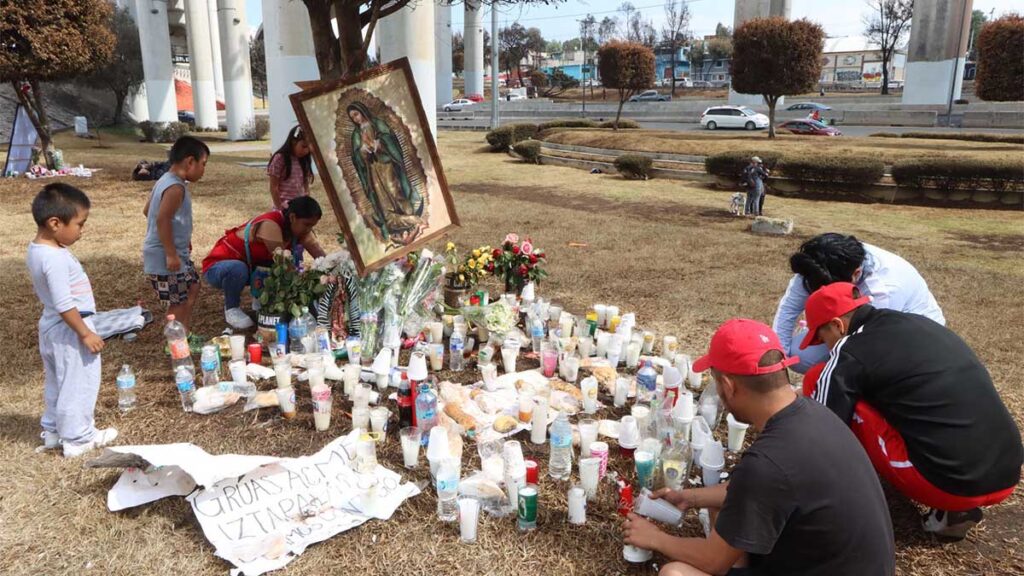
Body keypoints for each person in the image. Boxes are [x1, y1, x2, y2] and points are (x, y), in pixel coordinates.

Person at [623, 318, 895, 576]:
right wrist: (691, 498)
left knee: (675, 573)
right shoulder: (814, 414)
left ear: (728, 386)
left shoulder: (768, 462)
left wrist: (655, 538)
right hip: (848, 564)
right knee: (721, 507)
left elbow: (713, 562)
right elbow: (755, 489)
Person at [801, 282, 1022, 540]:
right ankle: (953, 514)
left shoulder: (851, 347)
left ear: (838, 325)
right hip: (1006, 472)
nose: (823, 346)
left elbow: (823, 424)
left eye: (821, 337)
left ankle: (845, 499)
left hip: (949, 484)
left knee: (817, 379)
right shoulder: (919, 323)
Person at [27, 183, 118, 457]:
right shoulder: (54, 258)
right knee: (78, 382)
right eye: (80, 224)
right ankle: (79, 438)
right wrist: (85, 333)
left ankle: (54, 431)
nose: (82, 230)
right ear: (55, 223)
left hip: (52, 328)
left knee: (57, 381)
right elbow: (64, 303)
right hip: (70, 329)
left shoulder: (38, 249)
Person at [773, 233, 944, 373]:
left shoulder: (884, 290)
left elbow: (870, 347)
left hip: (911, 339)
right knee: (798, 355)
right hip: (869, 331)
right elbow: (788, 310)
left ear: (856, 274)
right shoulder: (816, 265)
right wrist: (777, 362)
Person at [201, 197, 327, 329]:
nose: (309, 229)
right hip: (218, 268)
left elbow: (321, 256)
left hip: (250, 269)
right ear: (293, 217)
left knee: (271, 265)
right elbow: (284, 264)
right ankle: (232, 309)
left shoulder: (299, 229)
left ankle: (261, 302)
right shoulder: (270, 225)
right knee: (242, 267)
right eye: (307, 224)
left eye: (312, 225)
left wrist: (334, 271)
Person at [142, 136, 208, 332]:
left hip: (178, 253)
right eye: (203, 164)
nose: (204, 170)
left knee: (193, 286)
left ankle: (183, 332)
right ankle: (175, 341)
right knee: (177, 302)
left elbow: (148, 211)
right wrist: (170, 252)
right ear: (190, 162)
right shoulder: (175, 187)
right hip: (167, 257)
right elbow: (162, 219)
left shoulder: (165, 180)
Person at [346, 101, 423, 244]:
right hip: (372, 169)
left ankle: (410, 219)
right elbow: (355, 155)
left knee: (395, 191)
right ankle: (399, 228)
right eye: (352, 118)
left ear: (362, 110)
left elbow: (390, 139)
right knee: (383, 199)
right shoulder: (356, 134)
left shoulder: (377, 123)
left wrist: (379, 144)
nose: (356, 119)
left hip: (386, 163)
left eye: (356, 114)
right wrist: (362, 151)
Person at [267, 125, 313, 211]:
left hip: (299, 207)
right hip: (283, 207)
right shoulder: (280, 158)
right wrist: (280, 208)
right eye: (303, 146)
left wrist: (307, 199)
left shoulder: (304, 161)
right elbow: (274, 187)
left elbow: (305, 184)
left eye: (309, 148)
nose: (306, 151)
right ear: (293, 141)